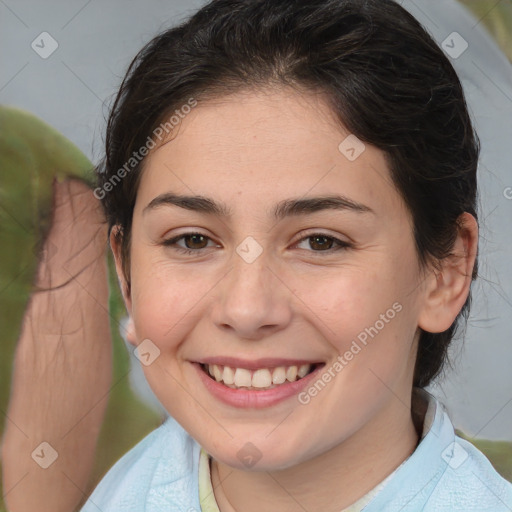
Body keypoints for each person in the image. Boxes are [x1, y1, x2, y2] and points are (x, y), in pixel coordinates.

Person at [73, 0, 512, 510]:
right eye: (192, 240)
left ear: (445, 272)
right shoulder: (125, 492)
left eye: (320, 241)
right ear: (126, 273)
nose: (246, 309)